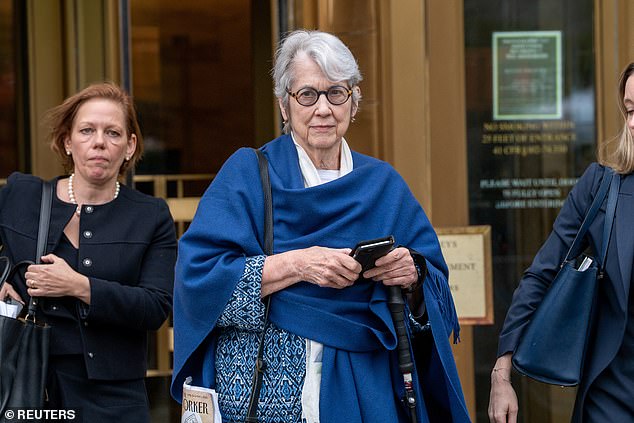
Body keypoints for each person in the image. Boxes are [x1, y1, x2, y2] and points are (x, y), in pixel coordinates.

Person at [171, 29, 470, 423]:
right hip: (265, 393)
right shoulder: (248, 173)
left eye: (337, 93)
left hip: (367, 385)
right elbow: (198, 280)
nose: (323, 108)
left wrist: (411, 275)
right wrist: (297, 265)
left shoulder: (383, 184)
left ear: (354, 101)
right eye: (307, 95)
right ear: (284, 105)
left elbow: (430, 292)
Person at [0, 82, 177, 422]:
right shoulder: (24, 197)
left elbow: (156, 307)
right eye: (87, 130)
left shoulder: (150, 216)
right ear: (68, 141)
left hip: (116, 399)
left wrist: (79, 286)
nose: (99, 142)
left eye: (113, 132)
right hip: (28, 387)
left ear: (130, 145)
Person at [489, 62, 634, 423]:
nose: (631, 123)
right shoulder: (603, 185)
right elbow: (544, 272)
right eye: (630, 110)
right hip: (612, 395)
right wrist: (502, 371)